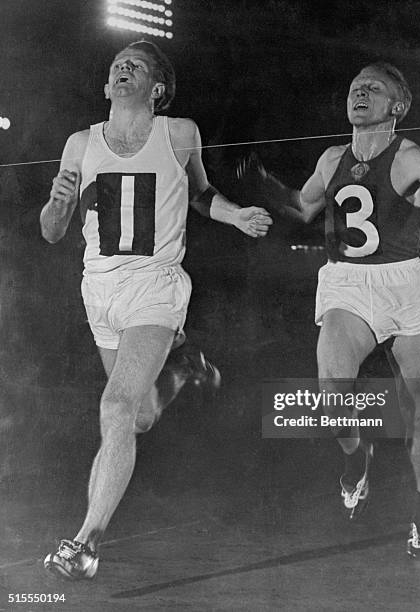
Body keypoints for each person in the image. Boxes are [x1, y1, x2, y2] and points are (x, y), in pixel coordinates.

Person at [40, 40, 272, 580]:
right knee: (137, 416)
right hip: (98, 290)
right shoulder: (80, 143)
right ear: (106, 87)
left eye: (136, 66)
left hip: (156, 285)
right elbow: (53, 232)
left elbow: (199, 194)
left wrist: (235, 216)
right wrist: (55, 205)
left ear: (158, 89)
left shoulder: (179, 133)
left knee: (115, 410)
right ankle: (185, 365)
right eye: (117, 66)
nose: (123, 69)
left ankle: (85, 543)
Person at [239, 61, 420, 557]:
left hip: (402, 284)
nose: (360, 92)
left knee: (418, 408)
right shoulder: (332, 158)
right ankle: (357, 462)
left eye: (373, 88)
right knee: (332, 398)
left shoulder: (413, 158)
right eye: (355, 87)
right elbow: (303, 207)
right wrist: (265, 185)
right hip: (345, 283)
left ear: (396, 106)